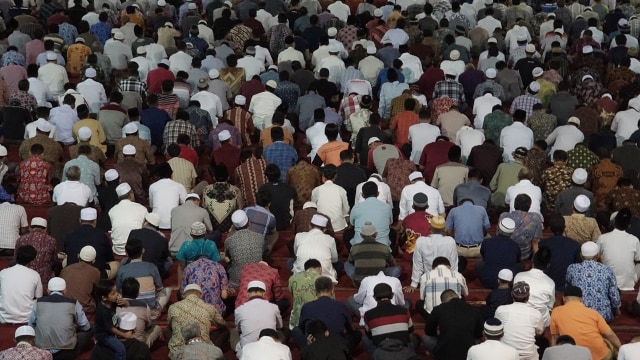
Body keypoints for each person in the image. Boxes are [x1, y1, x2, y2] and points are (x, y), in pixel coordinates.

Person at [550, 285, 621, 360]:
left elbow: (555, 338)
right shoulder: (593, 313)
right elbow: (609, 334)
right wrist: (621, 348)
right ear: (581, 299)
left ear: (564, 299)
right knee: (609, 345)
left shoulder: (556, 312)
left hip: (572, 356)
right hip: (600, 356)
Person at [29, 277, 92, 359]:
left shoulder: (38, 303)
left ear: (48, 291)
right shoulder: (73, 303)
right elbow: (85, 326)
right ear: (65, 290)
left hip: (41, 351)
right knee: (91, 330)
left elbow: (30, 326)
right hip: (66, 352)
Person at [116, 238, 171, 320]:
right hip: (150, 312)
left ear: (127, 253)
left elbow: (118, 292)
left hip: (129, 310)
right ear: (143, 250)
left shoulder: (122, 270)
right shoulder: (151, 267)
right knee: (167, 290)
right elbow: (160, 288)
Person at [566, 241, 621, 323]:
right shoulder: (607, 269)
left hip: (578, 315)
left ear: (581, 255)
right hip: (602, 317)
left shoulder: (572, 268)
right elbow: (614, 295)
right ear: (598, 255)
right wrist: (617, 308)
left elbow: (568, 288)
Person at [167, 284, 228, 354]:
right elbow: (222, 323)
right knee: (224, 331)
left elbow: (169, 326)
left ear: (183, 295)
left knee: (167, 330)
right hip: (204, 350)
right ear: (200, 295)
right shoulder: (209, 308)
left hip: (179, 351)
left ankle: (174, 349)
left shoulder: (173, 307)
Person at [423, 289, 483, 359]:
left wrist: (442, 332)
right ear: (458, 297)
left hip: (444, 354)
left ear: (443, 302)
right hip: (468, 353)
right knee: (477, 340)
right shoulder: (474, 310)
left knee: (426, 338)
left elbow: (429, 331)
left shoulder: (438, 309)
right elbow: (479, 334)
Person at [494, 281, 545, 360]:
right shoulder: (536, 314)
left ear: (512, 295)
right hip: (528, 357)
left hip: (506, 355)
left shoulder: (501, 310)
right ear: (528, 297)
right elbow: (540, 332)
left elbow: (497, 328)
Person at [234, 281, 283, 356]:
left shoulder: (239, 310)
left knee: (233, 333)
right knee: (283, 332)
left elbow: (239, 330)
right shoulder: (274, 307)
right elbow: (280, 326)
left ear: (247, 294)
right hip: (271, 349)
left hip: (248, 353)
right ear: (264, 294)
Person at [597, 208, 640, 290]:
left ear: (613, 222)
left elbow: (594, 257)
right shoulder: (634, 240)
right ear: (629, 225)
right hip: (628, 285)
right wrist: (634, 279)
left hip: (607, 285)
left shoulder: (602, 238)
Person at [513, 248, 556, 328]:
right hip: (541, 322)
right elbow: (550, 306)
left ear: (532, 260)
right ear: (548, 264)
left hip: (519, 317)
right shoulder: (550, 283)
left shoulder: (519, 276)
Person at [0, 245, 43, 324]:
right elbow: (39, 298)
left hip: (4, 318)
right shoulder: (35, 275)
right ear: (32, 260)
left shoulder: (3, 273)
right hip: (27, 319)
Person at [291, 214, 339, 282]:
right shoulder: (330, 239)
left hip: (302, 273)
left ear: (309, 226)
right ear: (325, 229)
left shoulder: (299, 236)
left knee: (290, 262)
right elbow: (335, 259)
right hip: (324, 276)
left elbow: (295, 255)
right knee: (340, 264)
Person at [477, 217, 522, 289]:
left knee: (480, 264)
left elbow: (483, 256)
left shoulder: (487, 242)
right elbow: (517, 260)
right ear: (512, 233)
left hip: (487, 281)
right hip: (508, 282)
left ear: (497, 228)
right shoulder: (515, 245)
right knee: (520, 265)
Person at [13, 217, 57, 287]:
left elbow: (15, 259)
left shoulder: (21, 239)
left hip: (24, 279)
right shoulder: (51, 240)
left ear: (30, 228)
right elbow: (54, 260)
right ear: (45, 229)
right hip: (44, 281)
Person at [60, 246, 101, 316]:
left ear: (78, 256)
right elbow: (96, 293)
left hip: (64, 307)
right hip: (85, 310)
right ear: (94, 261)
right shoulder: (95, 272)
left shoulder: (66, 269)